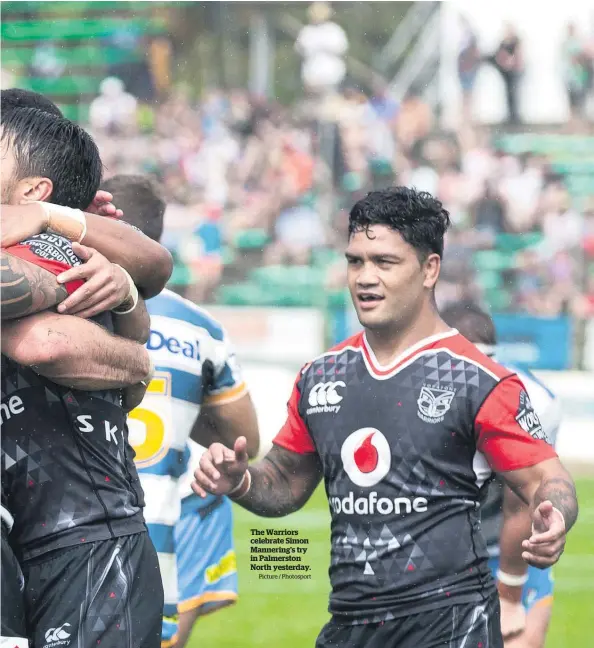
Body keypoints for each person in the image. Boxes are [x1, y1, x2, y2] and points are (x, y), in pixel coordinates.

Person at [193, 187, 578, 648]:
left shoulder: (479, 381)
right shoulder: (320, 376)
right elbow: (286, 482)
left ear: (429, 269)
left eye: (384, 262)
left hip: (450, 621)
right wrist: (239, 480)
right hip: (350, 623)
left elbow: (547, 480)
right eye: (356, 261)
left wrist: (555, 516)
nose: (364, 277)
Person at [1, 106, 171, 647]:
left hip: (85, 537)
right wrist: (132, 326)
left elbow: (42, 341)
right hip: (45, 537)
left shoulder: (38, 245)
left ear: (32, 190)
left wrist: (126, 302)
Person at [101, 173, 260, 648]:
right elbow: (242, 441)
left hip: (70, 542)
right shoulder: (200, 329)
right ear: (160, 239)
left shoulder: (63, 304)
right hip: (156, 555)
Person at [441, 301, 562, 648]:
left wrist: (509, 594)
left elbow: (523, 503)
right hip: (439, 549)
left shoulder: (532, 399)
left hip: (507, 545)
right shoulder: (408, 393)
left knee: (520, 643)